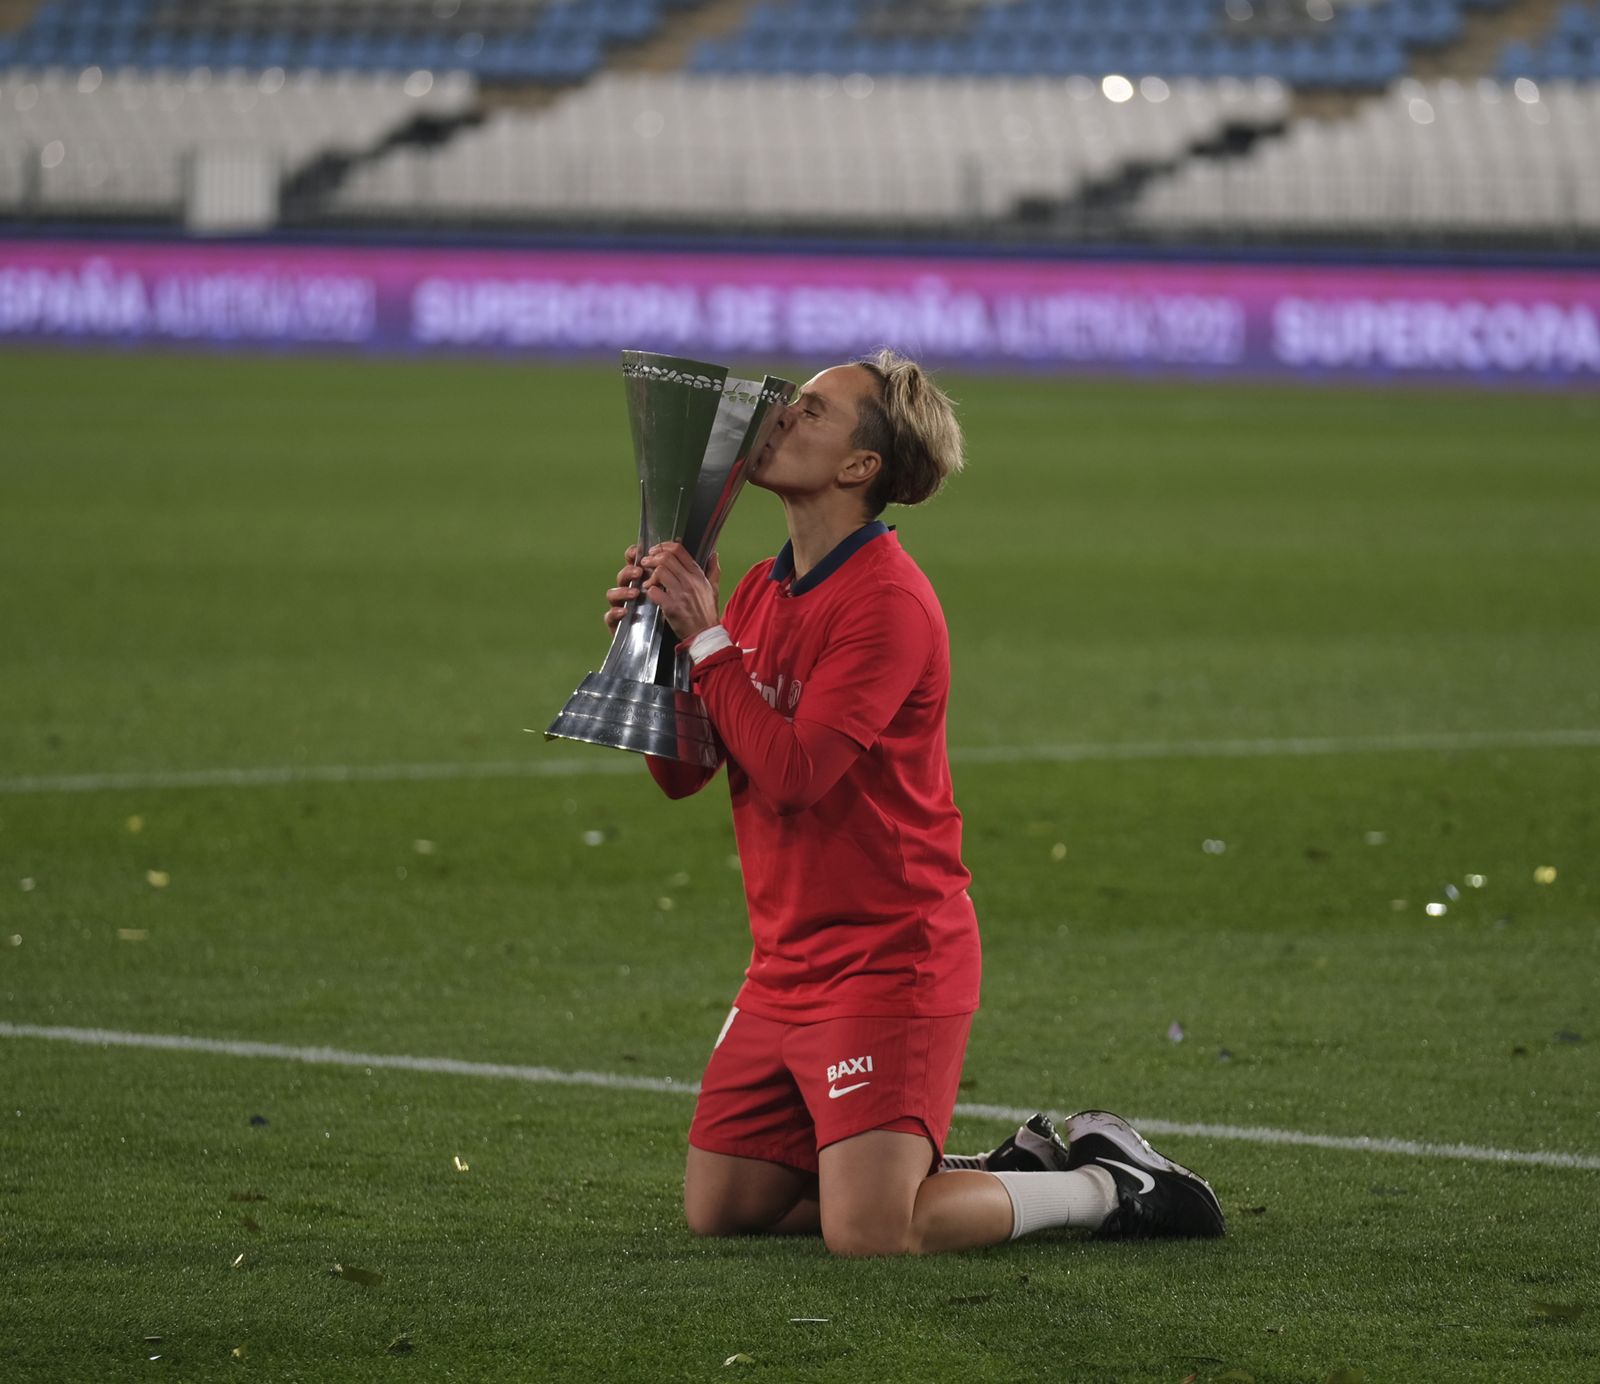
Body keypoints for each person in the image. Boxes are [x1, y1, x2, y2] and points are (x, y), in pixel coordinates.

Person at [603, 350, 1225, 1256]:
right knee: (722, 1209)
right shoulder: (759, 589)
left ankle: (1107, 1187)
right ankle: (996, 1171)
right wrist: (655, 649)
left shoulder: (888, 601)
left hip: (889, 959)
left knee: (872, 1233)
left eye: (811, 410)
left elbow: (796, 774)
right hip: (785, 962)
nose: (780, 413)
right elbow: (682, 776)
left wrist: (708, 643)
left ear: (861, 468)